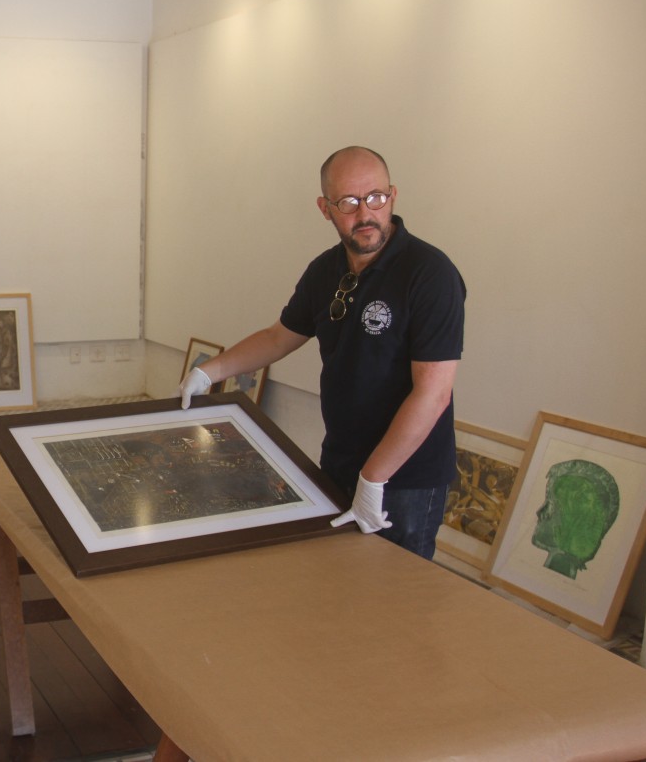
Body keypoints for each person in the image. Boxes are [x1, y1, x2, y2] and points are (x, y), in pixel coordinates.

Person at [179, 146, 465, 559]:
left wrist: (374, 479)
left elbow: (433, 393)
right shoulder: (325, 271)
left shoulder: (429, 274)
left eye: (376, 198)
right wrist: (209, 371)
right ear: (325, 208)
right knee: (336, 577)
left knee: (396, 591)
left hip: (405, 477)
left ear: (393, 196)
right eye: (348, 202)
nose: (365, 213)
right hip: (341, 460)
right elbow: (279, 337)